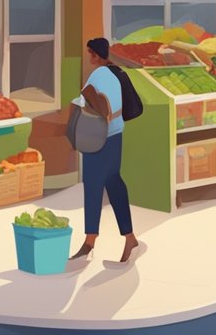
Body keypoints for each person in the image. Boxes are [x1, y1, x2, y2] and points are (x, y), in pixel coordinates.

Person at [69, 38, 140, 265]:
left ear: (95, 55)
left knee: (93, 188)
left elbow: (83, 102)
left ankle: (90, 242)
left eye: (90, 53)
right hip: (116, 135)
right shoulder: (118, 73)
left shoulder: (98, 75)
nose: (90, 57)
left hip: (97, 138)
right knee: (114, 183)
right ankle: (129, 237)